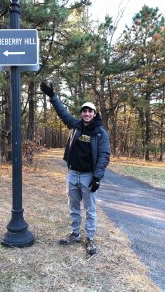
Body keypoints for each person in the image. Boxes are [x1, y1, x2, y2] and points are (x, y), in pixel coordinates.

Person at [40, 82, 110, 255]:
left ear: (94, 114)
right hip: (72, 174)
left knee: (90, 209)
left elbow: (104, 156)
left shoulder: (100, 133)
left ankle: (90, 239)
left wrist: (97, 177)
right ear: (81, 114)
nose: (86, 114)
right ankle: (75, 234)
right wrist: (52, 96)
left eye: (90, 111)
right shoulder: (75, 126)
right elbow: (62, 113)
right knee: (73, 206)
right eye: (84, 111)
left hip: (88, 176)